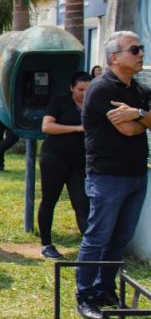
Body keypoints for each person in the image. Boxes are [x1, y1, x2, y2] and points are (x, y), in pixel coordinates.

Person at [75, 32, 151, 319]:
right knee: (98, 236)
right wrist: (143, 120)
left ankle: (105, 288)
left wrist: (138, 113)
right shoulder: (102, 89)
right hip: (106, 176)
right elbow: (128, 129)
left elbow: (139, 122)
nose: (141, 53)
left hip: (136, 175)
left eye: (141, 48)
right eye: (135, 49)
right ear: (114, 57)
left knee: (120, 238)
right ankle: (84, 294)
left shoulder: (140, 91)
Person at [38, 71, 91, 259]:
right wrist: (77, 128)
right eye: (80, 89)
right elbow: (47, 127)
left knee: (82, 203)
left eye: (88, 89)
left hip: (79, 162)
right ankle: (46, 244)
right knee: (49, 200)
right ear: (71, 88)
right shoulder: (59, 103)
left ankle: (91, 246)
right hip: (55, 159)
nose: (84, 94)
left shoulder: (93, 105)